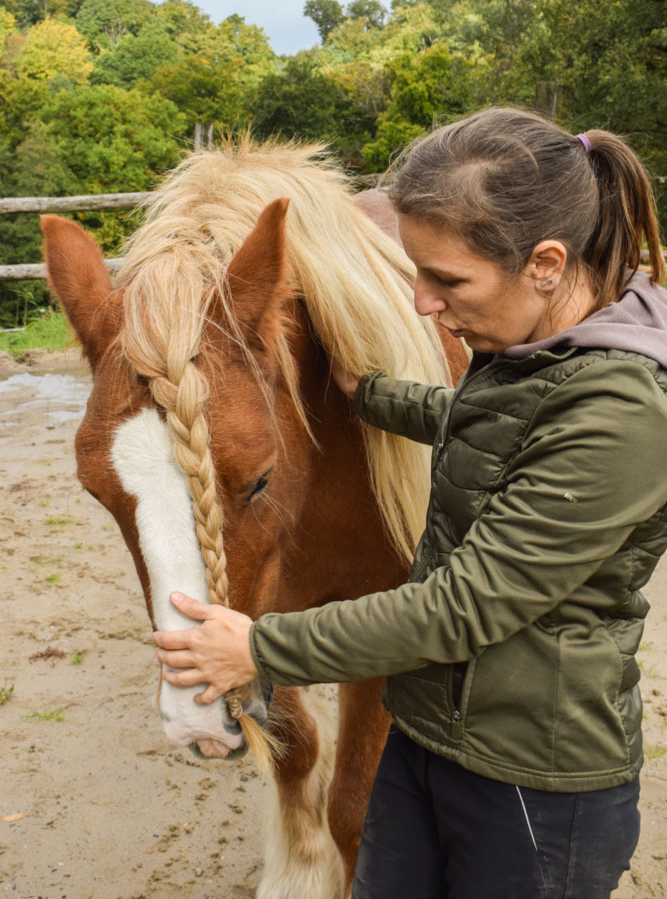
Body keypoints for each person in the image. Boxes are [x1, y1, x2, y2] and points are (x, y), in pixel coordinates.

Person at [152, 107, 667, 899]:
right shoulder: (524, 350)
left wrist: (260, 650)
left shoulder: (622, 411)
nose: (424, 303)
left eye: (447, 280)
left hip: (530, 779)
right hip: (426, 732)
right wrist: (373, 394)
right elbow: (481, 425)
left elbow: (467, 606)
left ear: (544, 262)